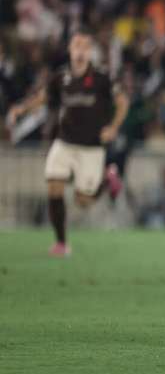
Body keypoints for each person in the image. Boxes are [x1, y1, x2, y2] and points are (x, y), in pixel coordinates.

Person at [7, 30, 129, 256]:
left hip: (91, 147)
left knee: (83, 201)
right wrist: (22, 109)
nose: (80, 51)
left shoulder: (102, 78)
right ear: (70, 50)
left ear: (90, 52)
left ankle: (107, 177)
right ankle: (62, 243)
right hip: (64, 142)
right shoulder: (60, 77)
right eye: (77, 46)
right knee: (54, 186)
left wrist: (113, 127)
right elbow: (43, 98)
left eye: (85, 47)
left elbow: (122, 102)